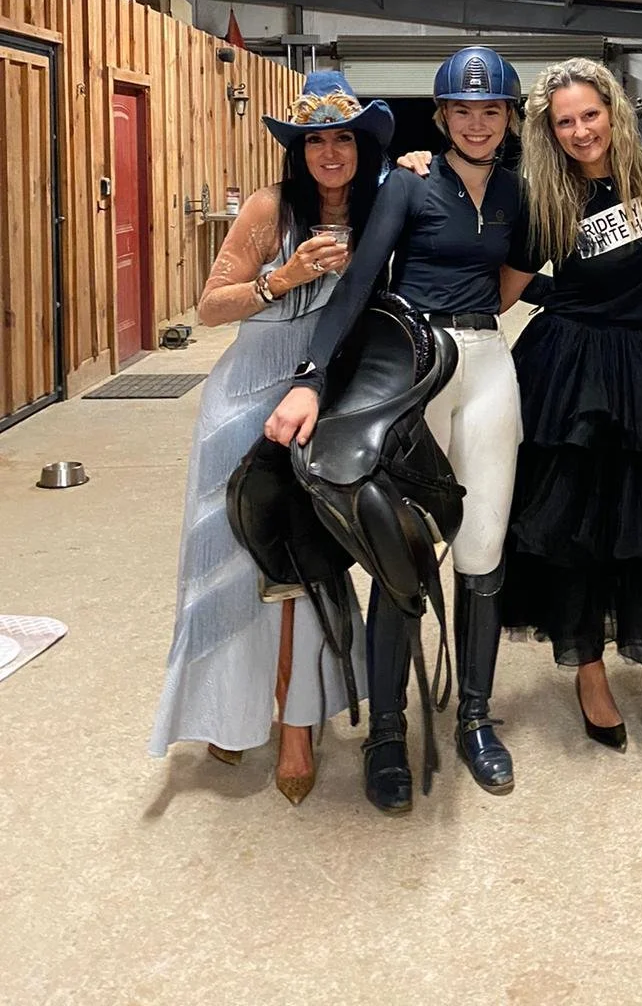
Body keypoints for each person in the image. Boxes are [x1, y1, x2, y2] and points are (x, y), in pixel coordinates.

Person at [264, 47, 524, 814]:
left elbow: (516, 278)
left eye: (492, 111)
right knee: (395, 551)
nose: (477, 124)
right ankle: (387, 732)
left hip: (486, 362)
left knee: (483, 546)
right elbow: (355, 285)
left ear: (507, 118)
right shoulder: (407, 187)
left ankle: (475, 717)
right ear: (442, 118)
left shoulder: (518, 190)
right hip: (412, 367)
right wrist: (312, 378)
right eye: (463, 112)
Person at [150, 71, 393, 804]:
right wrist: (280, 277)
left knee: (307, 555)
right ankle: (228, 707)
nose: (329, 153)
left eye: (342, 138)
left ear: (361, 146)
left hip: (328, 397)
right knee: (228, 553)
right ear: (299, 149)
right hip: (246, 393)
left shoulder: (383, 208)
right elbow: (210, 307)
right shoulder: (269, 209)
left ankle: (297, 719)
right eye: (315, 140)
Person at [498, 57, 642, 749]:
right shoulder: (544, 196)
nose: (581, 130)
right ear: (548, 131)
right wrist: (555, 296)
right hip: (571, 371)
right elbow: (503, 286)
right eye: (565, 122)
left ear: (614, 110)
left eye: (590, 114)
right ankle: (587, 668)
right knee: (575, 530)